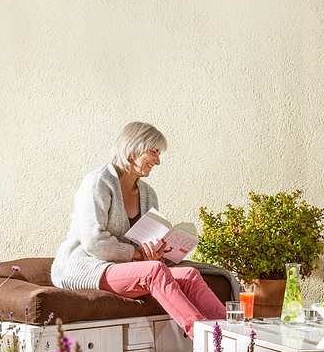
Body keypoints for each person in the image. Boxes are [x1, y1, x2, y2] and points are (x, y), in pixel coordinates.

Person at [51, 121, 226, 338]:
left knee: (189, 274)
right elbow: (93, 242)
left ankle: (234, 336)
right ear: (134, 149)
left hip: (130, 268)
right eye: (154, 152)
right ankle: (205, 340)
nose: (158, 161)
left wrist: (157, 250)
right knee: (154, 271)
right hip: (88, 266)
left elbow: (147, 243)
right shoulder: (98, 183)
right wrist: (138, 254)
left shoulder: (148, 193)